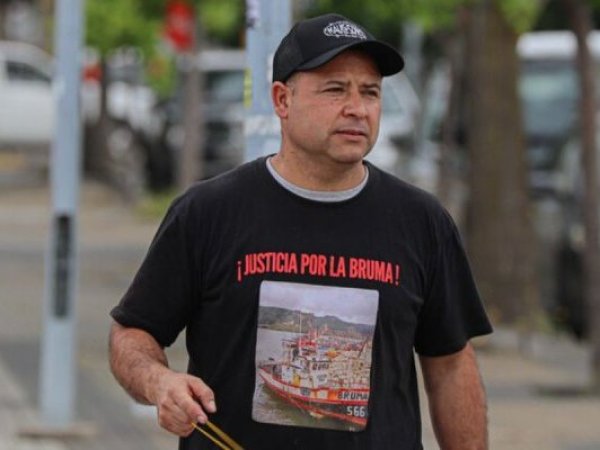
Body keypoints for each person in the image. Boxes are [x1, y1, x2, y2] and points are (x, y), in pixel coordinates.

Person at [109, 13, 493, 450]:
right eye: (335, 89)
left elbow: (450, 365)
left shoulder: (421, 221)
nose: (357, 108)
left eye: (370, 92)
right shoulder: (207, 213)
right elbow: (131, 334)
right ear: (282, 100)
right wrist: (159, 382)